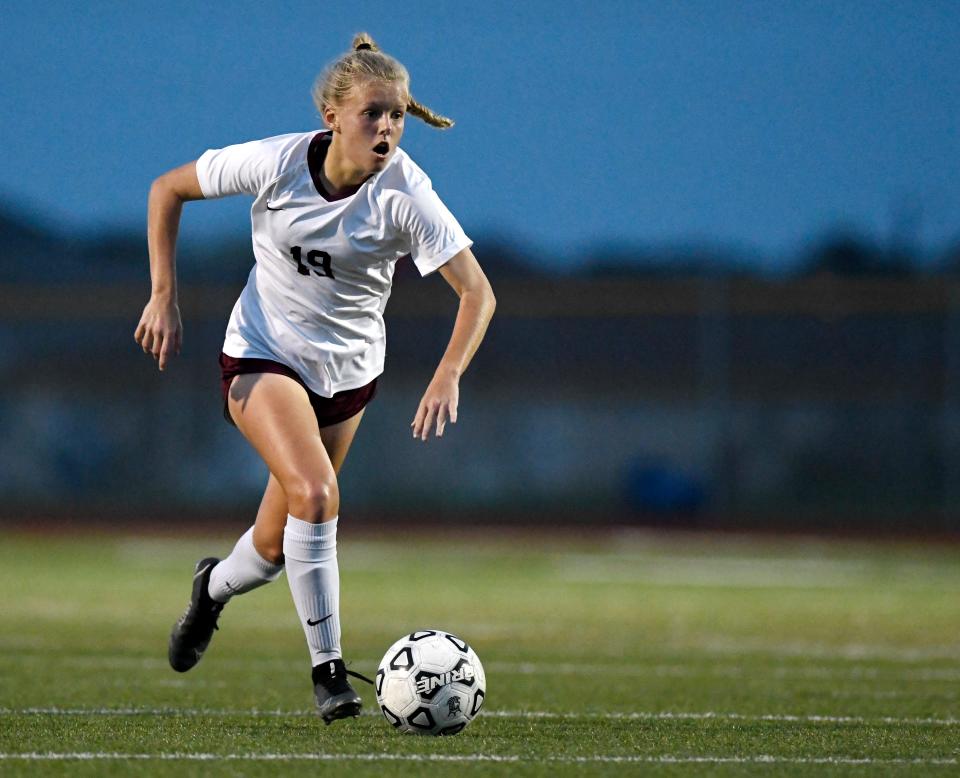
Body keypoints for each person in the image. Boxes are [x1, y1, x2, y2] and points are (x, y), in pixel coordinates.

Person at [133, 32, 495, 724]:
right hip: (261, 355)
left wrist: (448, 373)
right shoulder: (276, 162)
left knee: (273, 547)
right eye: (372, 114)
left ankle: (212, 587)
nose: (386, 128)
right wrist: (162, 292)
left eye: (395, 115)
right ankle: (328, 671)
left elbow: (478, 293)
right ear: (333, 116)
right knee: (318, 492)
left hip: (347, 378)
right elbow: (167, 189)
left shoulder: (405, 193)